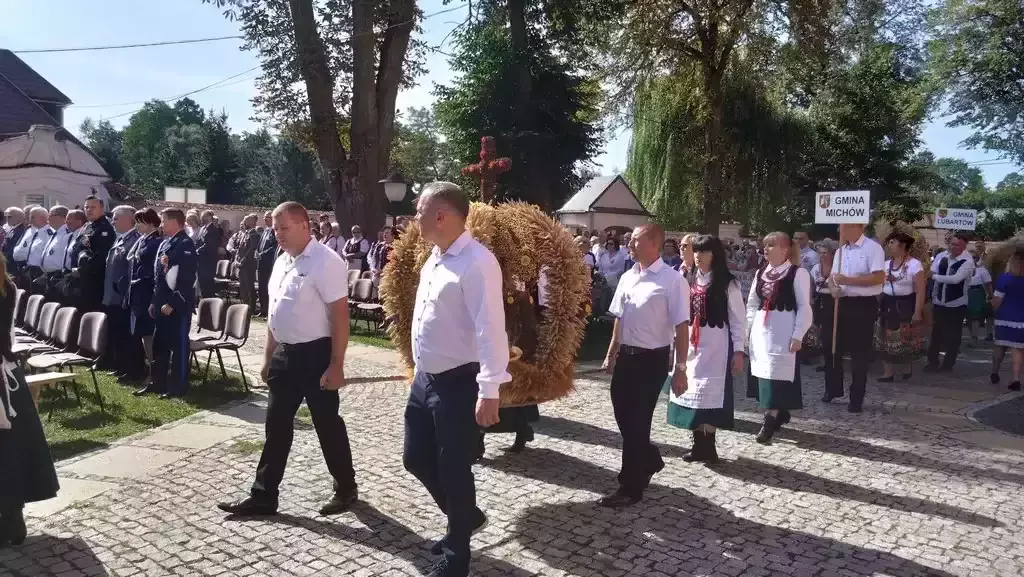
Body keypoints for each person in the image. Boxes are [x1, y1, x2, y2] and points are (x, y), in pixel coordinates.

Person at [218, 201, 358, 519]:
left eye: (284, 228)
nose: (278, 234)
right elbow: (274, 315)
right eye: (275, 228)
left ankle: (346, 487)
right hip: (285, 355)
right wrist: (269, 357)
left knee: (327, 425)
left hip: (316, 354)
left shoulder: (326, 262)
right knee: (276, 426)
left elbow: (339, 316)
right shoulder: (282, 261)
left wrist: (337, 364)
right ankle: (264, 496)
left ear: (305, 226)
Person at [400, 182, 509, 577]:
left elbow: (491, 328)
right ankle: (465, 517)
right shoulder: (435, 257)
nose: (416, 218)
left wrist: (490, 389)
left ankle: (457, 557)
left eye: (420, 211)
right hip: (426, 378)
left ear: (441, 215)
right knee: (415, 458)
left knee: (453, 468)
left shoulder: (477, 262)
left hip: (459, 381)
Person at [601, 224, 689, 508]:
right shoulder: (629, 276)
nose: (628, 243)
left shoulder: (672, 280)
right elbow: (620, 318)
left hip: (652, 360)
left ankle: (630, 486)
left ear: (653, 243)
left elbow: (682, 326)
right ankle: (649, 459)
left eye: (635, 239)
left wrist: (681, 368)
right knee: (622, 415)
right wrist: (611, 352)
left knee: (638, 421)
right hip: (626, 357)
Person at [667, 235, 744, 463]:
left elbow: (739, 319)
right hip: (690, 344)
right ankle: (697, 443)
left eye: (704, 251)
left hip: (716, 346)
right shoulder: (687, 278)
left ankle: (709, 444)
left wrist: (739, 351)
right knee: (690, 390)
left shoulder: (728, 283)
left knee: (710, 393)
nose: (699, 256)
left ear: (715, 254)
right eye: (696, 251)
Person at [0, 253, 60, 545]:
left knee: (8, 449)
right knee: (11, 449)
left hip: (3, 379)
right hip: (7, 375)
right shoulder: (7, 285)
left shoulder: (5, 288)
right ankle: (12, 516)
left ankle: (10, 518)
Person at [746, 232, 812, 443]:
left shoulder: (797, 273)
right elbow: (752, 304)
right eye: (765, 245)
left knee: (777, 374)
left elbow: (804, 306)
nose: (765, 249)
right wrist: (747, 332)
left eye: (771, 245)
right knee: (764, 374)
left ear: (785, 250)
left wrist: (798, 334)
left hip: (783, 330)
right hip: (761, 331)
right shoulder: (760, 273)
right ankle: (779, 412)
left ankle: (769, 420)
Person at [822, 223, 885, 413]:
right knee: (831, 346)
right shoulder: (841, 251)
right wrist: (834, 289)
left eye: (843, 227)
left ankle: (856, 397)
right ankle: (833, 388)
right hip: (841, 303)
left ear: (856, 227)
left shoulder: (873, 248)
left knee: (859, 353)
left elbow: (878, 278)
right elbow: (832, 277)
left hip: (862, 304)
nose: (839, 231)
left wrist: (848, 280)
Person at [134, 209, 197, 399]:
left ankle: (178, 386)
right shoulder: (166, 243)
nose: (161, 224)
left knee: (178, 347)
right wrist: (154, 301)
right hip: (161, 304)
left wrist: (172, 302)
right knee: (159, 345)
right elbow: (159, 277)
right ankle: (157, 381)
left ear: (175, 222)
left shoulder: (186, 245)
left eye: (164, 221)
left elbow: (187, 279)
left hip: (177, 306)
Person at [877, 232, 926, 382]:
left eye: (892, 242)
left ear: (902, 245)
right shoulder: (885, 264)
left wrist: (917, 312)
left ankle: (906, 367)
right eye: (889, 242)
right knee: (884, 336)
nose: (889, 245)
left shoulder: (914, 265)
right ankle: (888, 372)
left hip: (905, 304)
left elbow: (920, 290)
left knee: (904, 337)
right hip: (887, 303)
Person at [102, 206, 143, 381]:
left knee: (128, 335)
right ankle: (120, 365)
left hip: (124, 297)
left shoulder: (135, 240)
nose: (113, 221)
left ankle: (133, 369)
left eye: (116, 218)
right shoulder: (121, 239)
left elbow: (131, 271)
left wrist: (126, 295)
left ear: (129, 220)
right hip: (113, 295)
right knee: (117, 333)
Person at [927, 233, 975, 372]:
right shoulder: (941, 256)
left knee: (953, 335)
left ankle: (948, 363)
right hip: (939, 301)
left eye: (957, 245)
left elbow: (955, 279)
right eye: (952, 244)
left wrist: (934, 277)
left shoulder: (968, 261)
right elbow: (932, 270)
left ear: (964, 245)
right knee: (936, 333)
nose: (953, 247)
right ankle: (932, 362)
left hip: (957, 304)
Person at [127, 209, 163, 389]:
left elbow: (154, 271)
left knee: (148, 334)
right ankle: (148, 369)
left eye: (140, 222)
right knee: (141, 333)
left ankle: (154, 372)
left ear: (150, 222)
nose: (137, 225)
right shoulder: (143, 240)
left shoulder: (156, 242)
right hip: (137, 291)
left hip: (147, 292)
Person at [70, 196, 117, 312]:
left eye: (93, 207)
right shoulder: (88, 226)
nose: (89, 210)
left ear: (102, 209)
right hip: (82, 279)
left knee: (91, 314)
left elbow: (101, 257)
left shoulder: (105, 229)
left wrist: (80, 271)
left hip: (94, 281)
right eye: (86, 207)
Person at [992, 247, 1024, 391]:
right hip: (1022, 318)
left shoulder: (1005, 279)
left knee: (1000, 346)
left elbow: (997, 300)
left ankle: (994, 371)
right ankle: (1015, 378)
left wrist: (992, 305)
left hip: (1004, 317)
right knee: (1017, 349)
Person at [809, 242, 838, 371]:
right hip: (819, 299)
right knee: (819, 330)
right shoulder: (815, 268)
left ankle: (832, 360)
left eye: (825, 252)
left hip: (832, 301)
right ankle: (823, 361)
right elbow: (811, 284)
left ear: (832, 254)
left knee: (830, 331)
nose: (822, 255)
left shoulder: (837, 268)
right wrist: (809, 298)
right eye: (820, 252)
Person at [12, 206, 51, 291]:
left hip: (40, 272)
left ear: (42, 217)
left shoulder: (49, 233)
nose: (30, 219)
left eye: (33, 216)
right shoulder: (35, 231)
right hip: (29, 269)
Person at [967, 247, 993, 346]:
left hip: (977, 293)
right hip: (965, 292)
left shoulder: (982, 270)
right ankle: (972, 336)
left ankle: (974, 339)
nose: (972, 259)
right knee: (968, 317)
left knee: (975, 317)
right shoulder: (963, 269)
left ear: (977, 258)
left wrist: (990, 296)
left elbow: (988, 284)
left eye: (974, 257)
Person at [233, 214, 260, 311]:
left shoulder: (255, 235)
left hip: (248, 265)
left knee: (249, 287)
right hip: (241, 265)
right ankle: (244, 306)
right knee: (243, 287)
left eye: (246, 221)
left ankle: (251, 308)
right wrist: (236, 259)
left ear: (252, 222)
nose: (244, 223)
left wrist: (243, 260)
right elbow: (239, 249)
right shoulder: (244, 234)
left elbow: (251, 250)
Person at [254, 211, 278, 317]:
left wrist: (262, 254)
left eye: (268, 217)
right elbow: (260, 245)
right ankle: (263, 310)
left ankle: (268, 310)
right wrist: (257, 252)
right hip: (261, 263)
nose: (265, 219)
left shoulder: (274, 231)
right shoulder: (265, 231)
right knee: (261, 287)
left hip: (268, 263)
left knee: (268, 287)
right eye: (264, 217)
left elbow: (274, 247)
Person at [196, 210, 224, 300]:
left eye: (203, 216)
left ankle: (210, 305)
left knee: (208, 285)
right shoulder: (202, 229)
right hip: (201, 261)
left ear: (209, 217)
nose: (201, 218)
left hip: (208, 262)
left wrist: (197, 251)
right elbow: (198, 242)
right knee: (202, 284)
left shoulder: (213, 230)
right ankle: (204, 303)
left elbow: (208, 245)